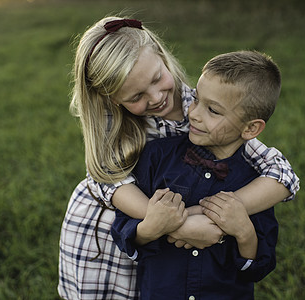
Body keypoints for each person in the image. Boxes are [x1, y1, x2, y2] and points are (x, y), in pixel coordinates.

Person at [58, 16, 299, 300]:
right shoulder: (113, 127)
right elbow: (108, 181)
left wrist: (218, 214)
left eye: (158, 78)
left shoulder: (197, 109)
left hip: (166, 248)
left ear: (161, 56)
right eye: (136, 95)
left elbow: (283, 175)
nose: (157, 96)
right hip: (103, 238)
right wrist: (178, 223)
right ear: (112, 98)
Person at [111, 50, 285, 299]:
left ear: (250, 128)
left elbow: (259, 267)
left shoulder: (256, 182)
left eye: (213, 110)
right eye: (195, 100)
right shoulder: (157, 156)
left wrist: (243, 231)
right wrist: (151, 226)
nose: (193, 113)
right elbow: (121, 228)